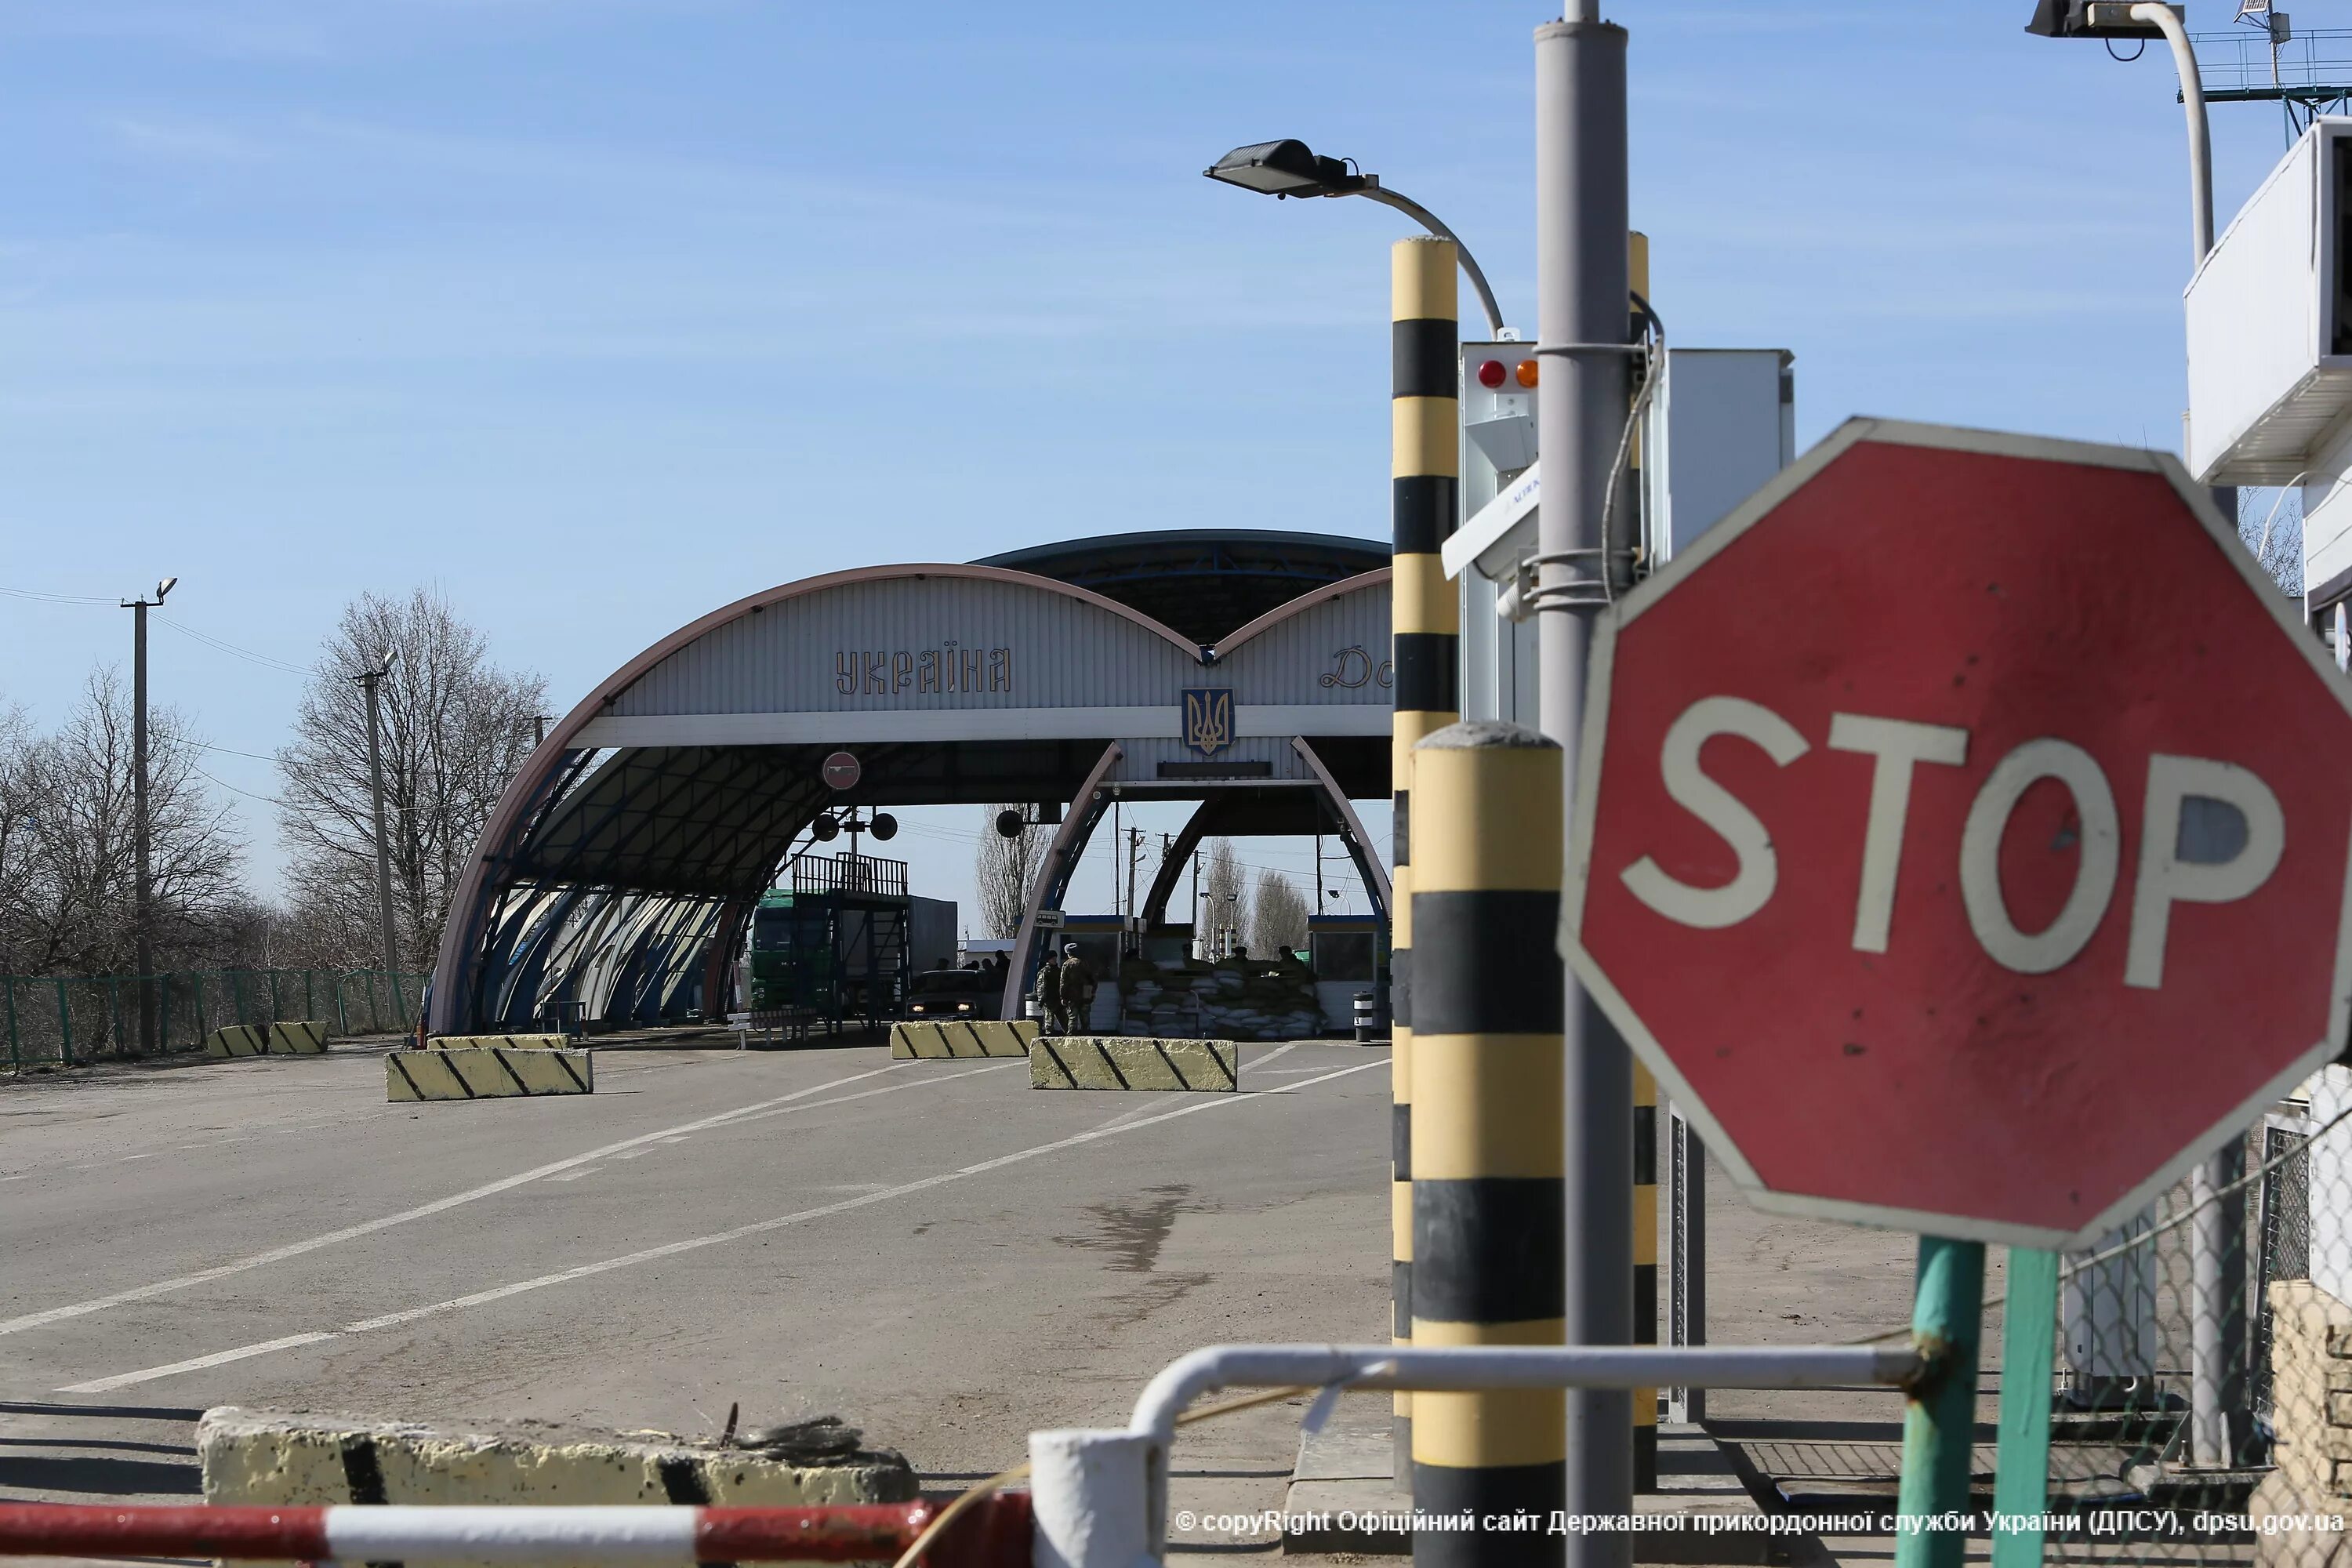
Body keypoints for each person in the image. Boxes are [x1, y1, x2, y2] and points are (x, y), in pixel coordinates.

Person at [1056, 942, 1094, 1036]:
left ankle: (1072, 1037)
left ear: (1068, 953)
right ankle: (1088, 1037)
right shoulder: (1085, 963)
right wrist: (1091, 993)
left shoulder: (1067, 964)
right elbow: (1093, 979)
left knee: (1072, 1017)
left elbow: (1063, 982)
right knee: (1085, 1018)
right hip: (1086, 993)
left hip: (1072, 996)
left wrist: (1063, 997)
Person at [1033, 950, 1062, 1034]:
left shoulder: (1057, 971)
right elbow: (1041, 988)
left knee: (1065, 1022)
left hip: (1057, 999)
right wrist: (1042, 1001)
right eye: (1053, 959)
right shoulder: (1045, 972)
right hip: (1049, 1001)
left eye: (1055, 958)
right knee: (1049, 1023)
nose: (1055, 960)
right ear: (1048, 960)